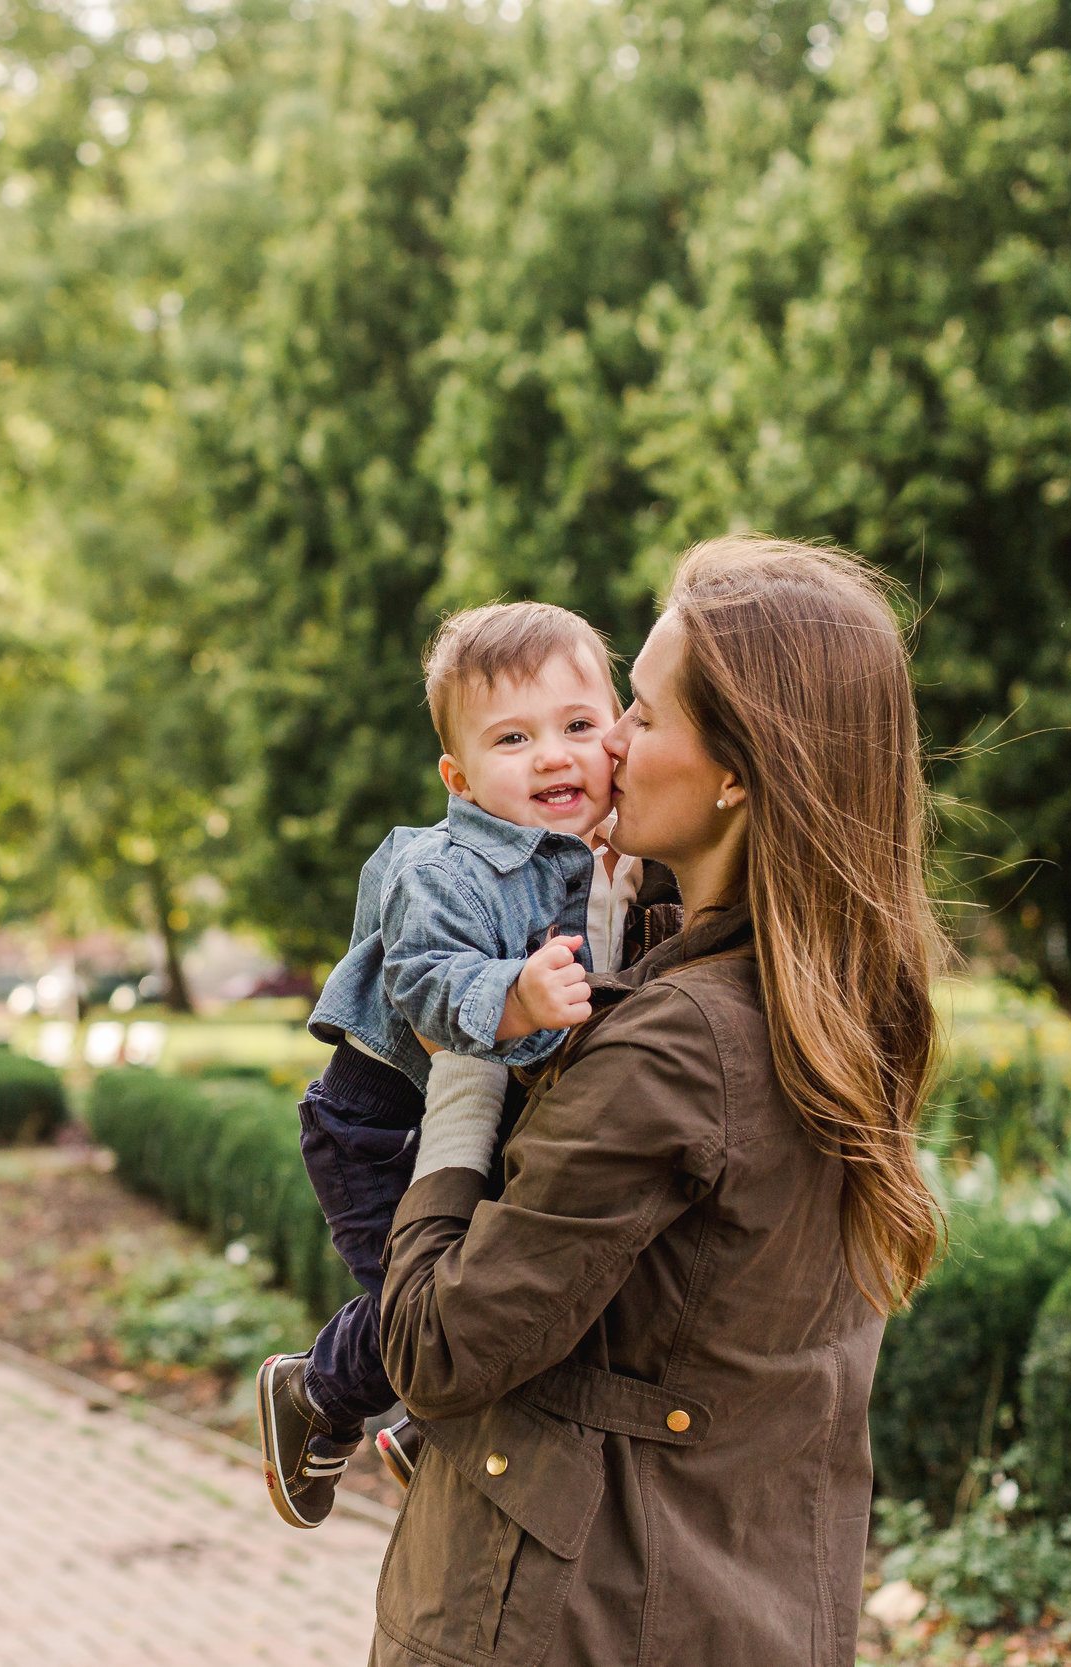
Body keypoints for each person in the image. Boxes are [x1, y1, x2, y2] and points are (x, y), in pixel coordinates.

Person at [370, 537, 945, 1666]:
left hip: (568, 1621)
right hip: (745, 1604)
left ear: (735, 771)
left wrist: (463, 1071)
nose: (606, 743)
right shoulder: (837, 1001)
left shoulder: (682, 1040)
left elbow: (435, 1345)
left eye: (637, 711)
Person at [257, 601, 676, 1530]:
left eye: (578, 725)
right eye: (514, 738)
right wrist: (513, 998)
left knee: (507, 1283)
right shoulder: (439, 866)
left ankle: (423, 1427)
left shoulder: (622, 851)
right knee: (426, 1308)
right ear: (460, 776)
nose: (555, 756)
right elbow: (426, 977)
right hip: (380, 1128)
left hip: (494, 1119)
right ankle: (316, 1395)